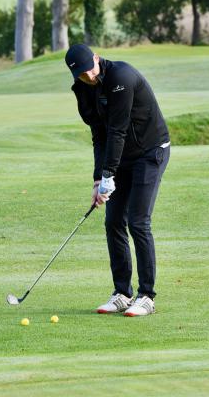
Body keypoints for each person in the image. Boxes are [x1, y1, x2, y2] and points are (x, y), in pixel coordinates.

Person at [65, 44, 170, 317]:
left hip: (150, 152)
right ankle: (122, 293)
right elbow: (99, 135)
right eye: (81, 75)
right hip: (121, 155)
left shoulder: (121, 77)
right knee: (113, 222)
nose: (88, 77)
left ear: (96, 58)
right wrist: (98, 179)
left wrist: (108, 174)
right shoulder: (83, 89)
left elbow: (118, 130)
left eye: (89, 70)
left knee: (138, 221)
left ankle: (146, 296)